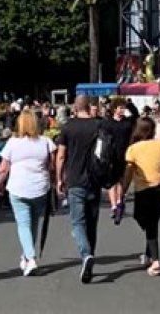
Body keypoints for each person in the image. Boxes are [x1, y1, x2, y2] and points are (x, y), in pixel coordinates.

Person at [0, 109, 56, 275]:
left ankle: (30, 258)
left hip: (18, 186)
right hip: (40, 187)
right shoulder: (45, 142)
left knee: (23, 224)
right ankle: (26, 255)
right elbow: (51, 167)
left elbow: (3, 168)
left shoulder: (12, 143)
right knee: (33, 223)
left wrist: (0, 184)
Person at [123, 116, 160, 277]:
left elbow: (128, 173)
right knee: (152, 222)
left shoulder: (133, 149)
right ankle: (149, 253)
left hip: (143, 190)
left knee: (146, 222)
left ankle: (156, 261)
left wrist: (123, 190)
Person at [56, 95, 101, 283]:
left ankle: (85, 254)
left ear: (75, 107)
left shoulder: (68, 127)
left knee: (77, 222)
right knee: (91, 223)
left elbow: (61, 155)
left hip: (75, 179)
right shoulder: (98, 125)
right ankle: (90, 255)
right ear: (89, 107)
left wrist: (59, 179)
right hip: (94, 179)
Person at [104, 100, 135, 224]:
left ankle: (119, 201)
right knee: (111, 182)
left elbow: (135, 116)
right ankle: (113, 206)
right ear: (114, 109)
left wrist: (130, 105)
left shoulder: (127, 123)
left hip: (124, 155)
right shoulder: (107, 123)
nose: (122, 110)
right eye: (120, 108)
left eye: (123, 108)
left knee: (122, 180)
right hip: (110, 155)